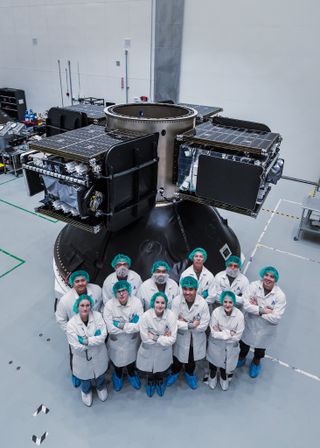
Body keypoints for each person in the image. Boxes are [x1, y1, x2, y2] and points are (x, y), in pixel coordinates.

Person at [55, 270, 102, 387]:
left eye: (82, 280)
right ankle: (76, 373)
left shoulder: (96, 290)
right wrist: (73, 334)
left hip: (95, 331)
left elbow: (102, 305)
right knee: (75, 356)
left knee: (99, 353)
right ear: (72, 283)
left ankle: (98, 374)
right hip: (76, 334)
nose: (80, 283)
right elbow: (61, 320)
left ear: (87, 280)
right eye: (77, 281)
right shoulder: (65, 300)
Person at [238, 266, 286, 378]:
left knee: (260, 349)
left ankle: (256, 362)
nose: (268, 278)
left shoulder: (280, 296)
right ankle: (241, 358)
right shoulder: (254, 286)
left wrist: (256, 308)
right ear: (262, 275)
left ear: (276, 279)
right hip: (250, 324)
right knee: (244, 344)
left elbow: (276, 318)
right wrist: (263, 310)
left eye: (272, 276)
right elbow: (246, 305)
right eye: (266, 275)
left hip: (265, 329)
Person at [66, 294, 109, 406]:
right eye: (82, 305)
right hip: (82, 358)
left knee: (100, 375)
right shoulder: (71, 324)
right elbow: (75, 346)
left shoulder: (98, 316)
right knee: (85, 378)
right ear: (77, 306)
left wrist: (86, 341)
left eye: (87, 305)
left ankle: (100, 387)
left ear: (91, 306)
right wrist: (95, 339)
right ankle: (86, 391)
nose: (85, 308)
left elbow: (103, 336)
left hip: (99, 355)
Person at [168, 276, 210, 389]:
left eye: (191, 289)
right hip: (181, 337)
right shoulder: (177, 301)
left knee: (191, 358)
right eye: (185, 289)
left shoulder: (202, 303)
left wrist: (183, 323)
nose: (187, 292)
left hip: (196, 337)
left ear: (196, 290)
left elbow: (204, 325)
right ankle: (175, 372)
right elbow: (173, 321)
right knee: (177, 358)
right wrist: (190, 324)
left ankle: (189, 374)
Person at [103, 280, 143, 391]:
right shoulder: (109, 306)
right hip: (117, 342)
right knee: (117, 363)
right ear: (115, 293)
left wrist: (120, 325)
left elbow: (139, 326)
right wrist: (130, 325)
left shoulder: (136, 303)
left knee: (131, 361)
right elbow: (110, 329)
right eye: (118, 291)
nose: (121, 294)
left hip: (132, 341)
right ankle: (118, 375)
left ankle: (131, 374)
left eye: (124, 290)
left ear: (128, 291)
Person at [136, 292, 177, 397]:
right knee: (149, 370)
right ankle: (150, 381)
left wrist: (156, 337)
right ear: (153, 303)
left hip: (163, 351)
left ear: (166, 304)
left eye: (163, 303)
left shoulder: (171, 315)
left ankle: (159, 381)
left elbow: (172, 339)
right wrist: (163, 338)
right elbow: (145, 339)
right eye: (157, 302)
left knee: (161, 369)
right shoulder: (145, 316)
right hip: (149, 349)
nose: (160, 305)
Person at [206, 291, 244, 391]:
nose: (227, 304)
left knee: (226, 363)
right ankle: (212, 376)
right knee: (213, 362)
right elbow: (213, 333)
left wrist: (221, 332)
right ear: (222, 302)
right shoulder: (216, 312)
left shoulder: (239, 315)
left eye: (230, 302)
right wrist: (229, 333)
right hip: (215, 345)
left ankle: (224, 377)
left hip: (231, 347)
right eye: (225, 301)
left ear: (234, 303)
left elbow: (237, 337)